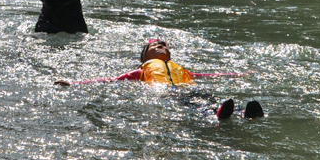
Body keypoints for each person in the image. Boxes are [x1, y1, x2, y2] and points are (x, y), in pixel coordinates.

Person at [55, 38, 264, 120]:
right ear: (144, 58)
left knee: (206, 96)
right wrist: (74, 83)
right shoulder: (142, 71)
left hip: (185, 87)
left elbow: (209, 75)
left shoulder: (181, 70)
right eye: (155, 46)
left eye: (164, 45)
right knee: (194, 105)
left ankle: (242, 112)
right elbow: (111, 79)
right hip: (167, 92)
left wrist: (238, 75)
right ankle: (216, 116)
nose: (161, 46)